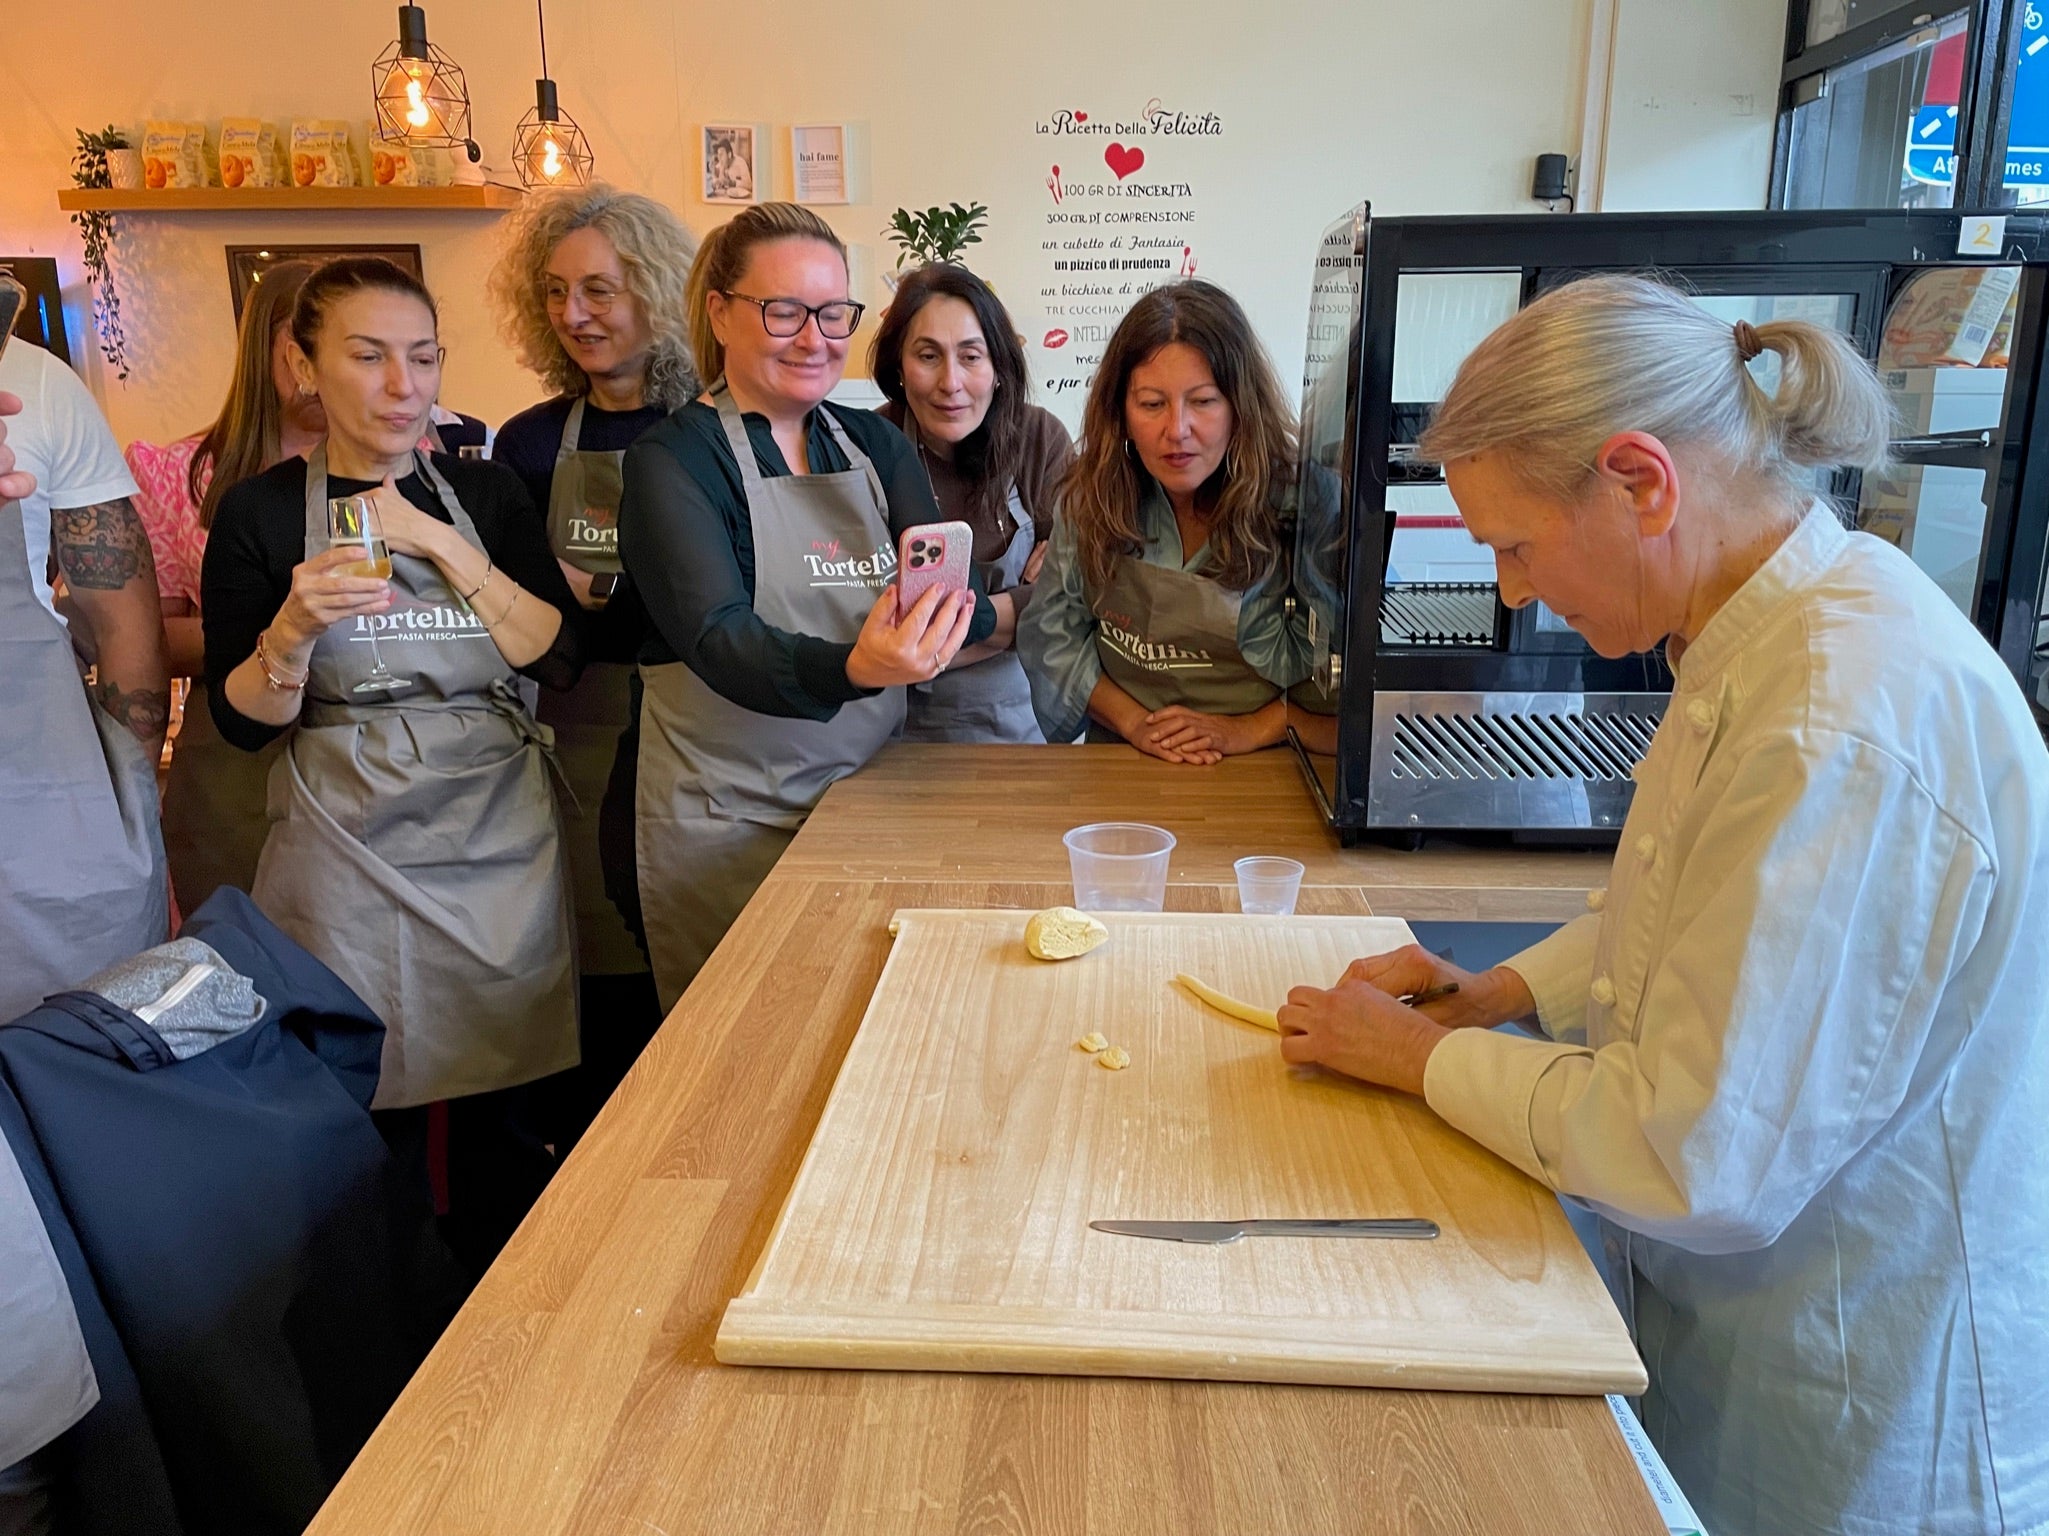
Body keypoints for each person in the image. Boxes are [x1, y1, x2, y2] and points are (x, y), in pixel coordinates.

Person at [1273, 276, 2049, 1535]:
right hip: (1750, 1325)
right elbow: (1699, 909)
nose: (1516, 594)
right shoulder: (1760, 632)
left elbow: (1696, 1159)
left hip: (1855, 1384)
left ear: (1641, 480)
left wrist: (1427, 1059)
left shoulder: (1835, 711)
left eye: (1515, 547)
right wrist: (1512, 989)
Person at [200, 257, 584, 1272]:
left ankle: (515, 1315)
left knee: (507, 1115)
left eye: (421, 357)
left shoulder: (487, 493)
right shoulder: (262, 515)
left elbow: (558, 652)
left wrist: (439, 544)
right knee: (369, 1120)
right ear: (304, 363)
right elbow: (241, 724)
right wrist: (289, 632)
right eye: (367, 356)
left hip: (495, 828)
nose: (401, 383)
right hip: (348, 840)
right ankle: (387, 1361)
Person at [618, 202, 991, 1010]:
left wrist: (1010, 609)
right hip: (727, 821)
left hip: (868, 803)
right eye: (783, 310)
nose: (814, 336)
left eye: (831, 313)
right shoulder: (672, 461)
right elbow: (719, 641)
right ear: (719, 312)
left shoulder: (875, 445)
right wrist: (858, 666)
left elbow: (936, 598)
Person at [487, 183, 698, 1144]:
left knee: (691, 949)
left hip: (699, 719)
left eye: (601, 291)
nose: (575, 315)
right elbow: (530, 621)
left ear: (657, 291)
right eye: (559, 293)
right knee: (604, 962)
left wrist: (597, 592)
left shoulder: (706, 427)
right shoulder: (529, 443)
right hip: (579, 722)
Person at [1016, 280, 1304, 763]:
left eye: (1204, 401)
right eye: (1152, 404)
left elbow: (1337, 674)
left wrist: (1244, 732)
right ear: (1121, 412)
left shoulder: (1298, 501)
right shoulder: (1091, 497)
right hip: (1127, 758)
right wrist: (1136, 724)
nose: (1177, 430)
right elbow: (1053, 637)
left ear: (1241, 407)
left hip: (1264, 763)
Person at [125, 259, 323, 911]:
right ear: (268, 346)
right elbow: (147, 639)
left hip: (361, 751)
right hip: (232, 764)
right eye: (306, 344)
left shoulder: (411, 468)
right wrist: (281, 633)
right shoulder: (180, 473)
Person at [0, 339, 169, 1024]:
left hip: (31, 767)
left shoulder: (35, 382)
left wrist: (131, 782)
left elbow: (123, 617)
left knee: (65, 1038)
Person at [869, 262, 1073, 741]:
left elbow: (1076, 602)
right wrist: (1017, 612)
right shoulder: (869, 446)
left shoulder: (1039, 439)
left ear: (1000, 367)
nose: (951, 383)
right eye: (928, 356)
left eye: (971, 357)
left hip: (1024, 729)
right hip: (890, 733)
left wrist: (928, 641)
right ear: (898, 366)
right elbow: (857, 617)